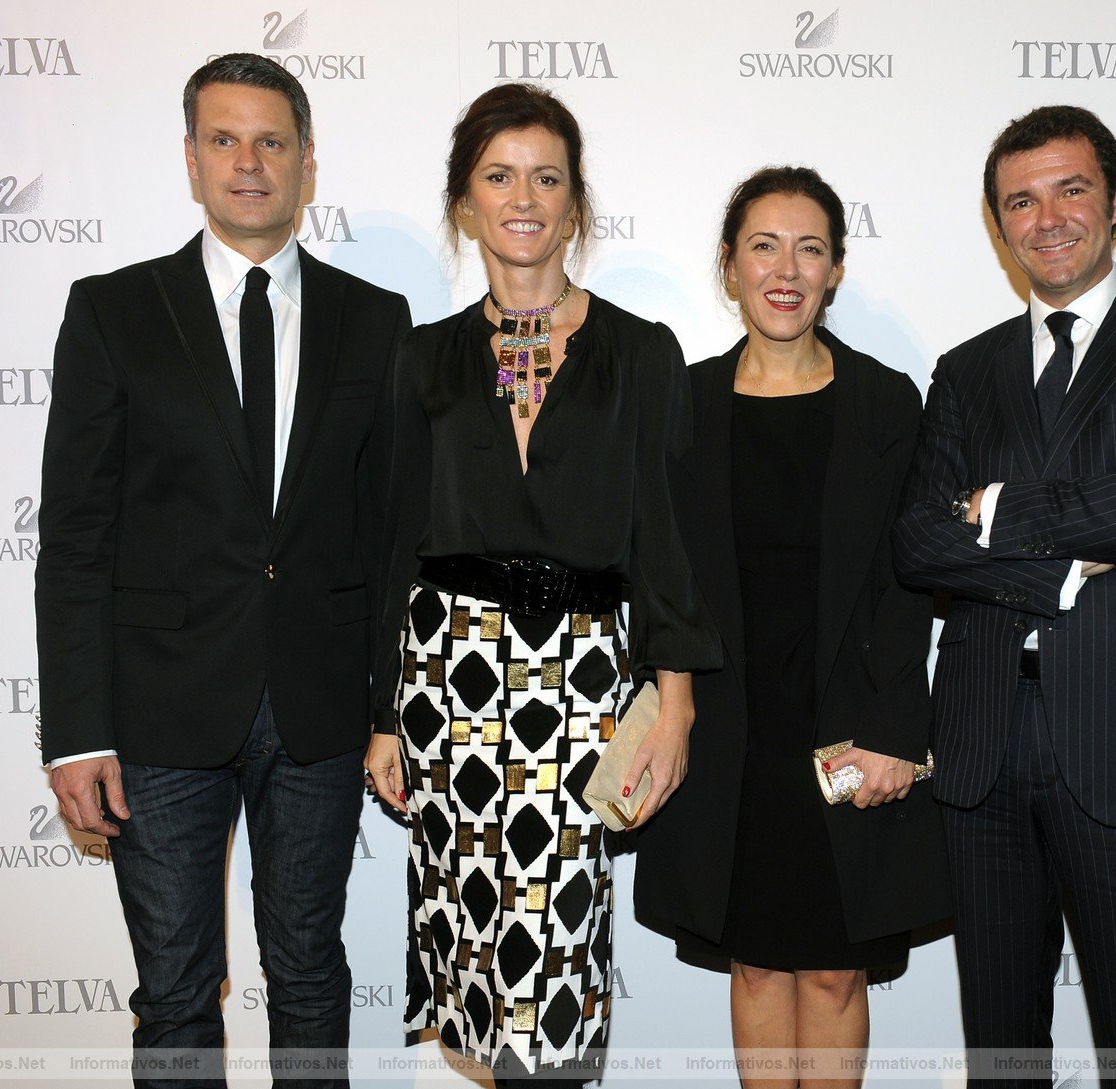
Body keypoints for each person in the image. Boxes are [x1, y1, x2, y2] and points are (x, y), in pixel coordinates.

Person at [36, 53, 411, 1087]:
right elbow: (74, 536)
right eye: (225, 139)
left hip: (321, 711)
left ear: (306, 165)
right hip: (156, 714)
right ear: (193, 162)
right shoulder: (113, 311)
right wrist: (76, 731)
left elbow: (390, 539)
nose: (250, 162)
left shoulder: (375, 323)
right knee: (174, 991)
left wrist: (390, 708)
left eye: (272, 142)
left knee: (308, 976)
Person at [363, 83, 720, 1088]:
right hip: (449, 680)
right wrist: (385, 714)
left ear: (576, 204)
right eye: (498, 175)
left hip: (581, 682)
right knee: (472, 953)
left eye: (547, 177)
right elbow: (394, 544)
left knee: (558, 959)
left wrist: (676, 709)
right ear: (464, 202)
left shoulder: (643, 353)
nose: (524, 197)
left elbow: (666, 540)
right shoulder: (421, 359)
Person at [892, 105, 1116, 1086]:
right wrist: (1080, 529)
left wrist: (994, 505)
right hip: (981, 740)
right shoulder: (965, 373)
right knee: (999, 1054)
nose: (1046, 217)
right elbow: (920, 541)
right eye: (1020, 200)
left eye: (1070, 188)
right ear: (998, 222)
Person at [634, 166, 951, 1089]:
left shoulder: (887, 403)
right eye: (763, 245)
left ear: (836, 270)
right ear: (729, 265)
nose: (787, 267)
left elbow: (908, 583)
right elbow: (659, 575)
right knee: (759, 962)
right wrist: (668, 710)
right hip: (729, 730)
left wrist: (898, 732)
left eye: (810, 247)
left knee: (833, 964)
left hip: (848, 725)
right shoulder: (682, 405)